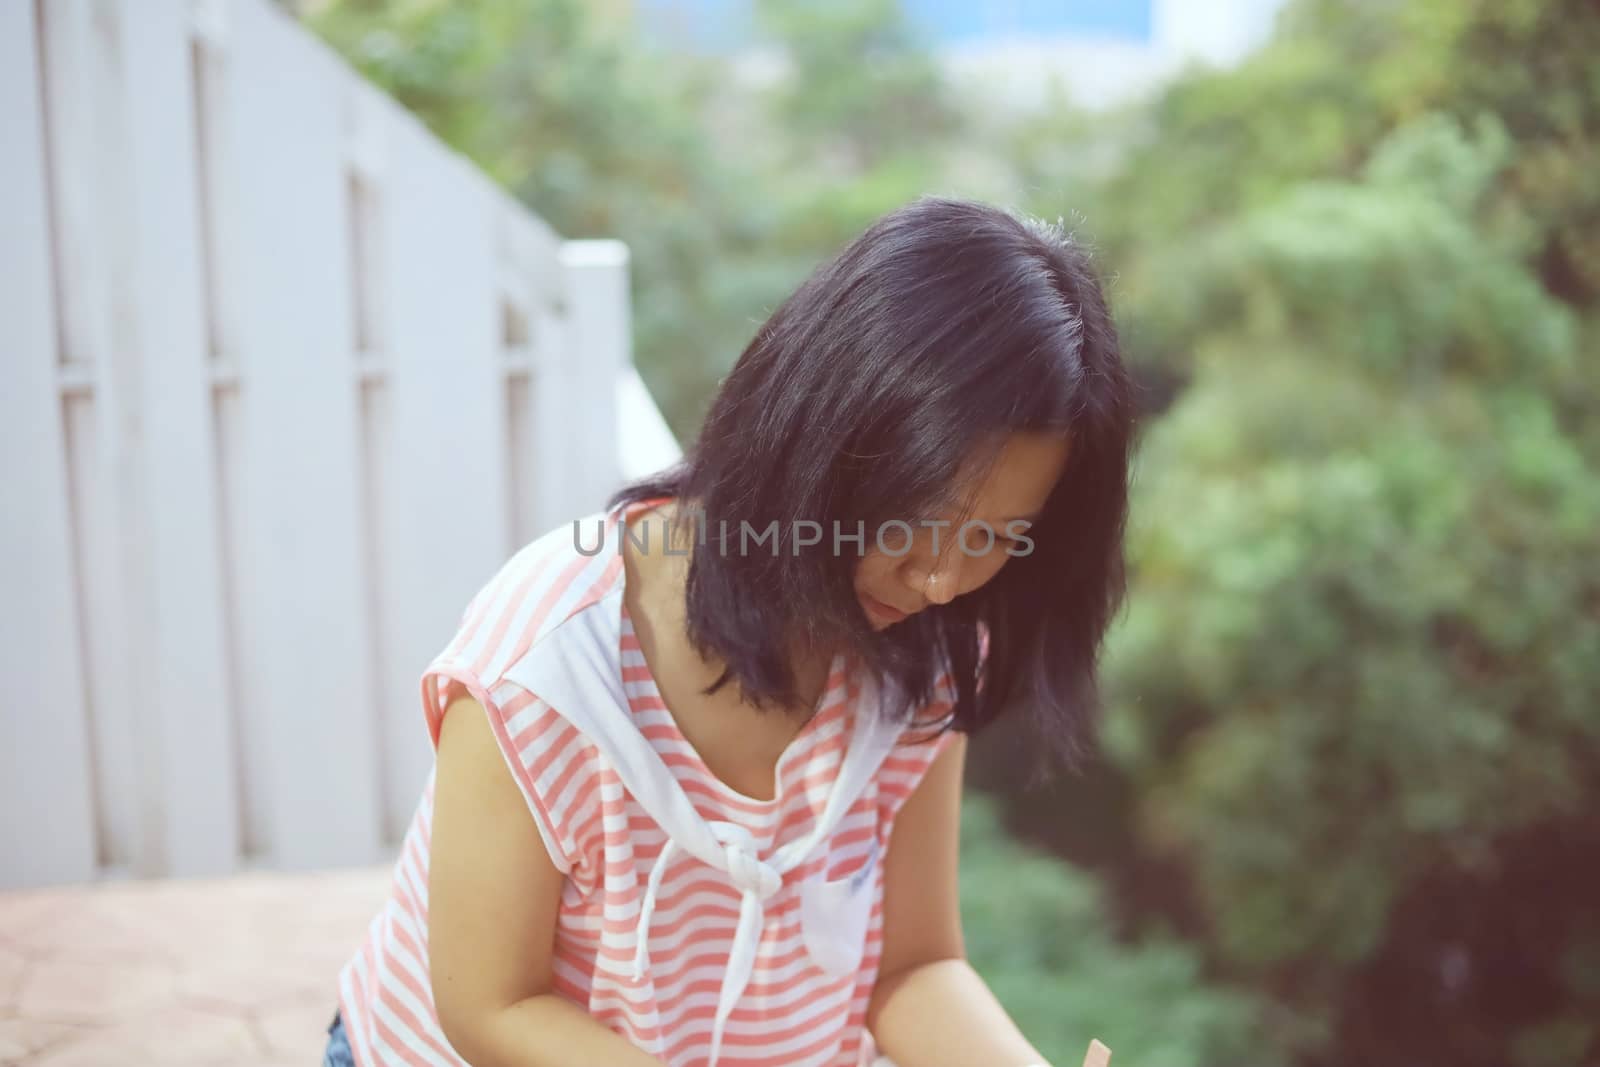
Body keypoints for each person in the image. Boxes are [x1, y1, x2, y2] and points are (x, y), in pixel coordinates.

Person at [326, 195, 1135, 1067]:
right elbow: (493, 1007)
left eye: (993, 538)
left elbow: (911, 965)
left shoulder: (928, 650)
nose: (940, 579)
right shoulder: (547, 661)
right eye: (919, 520)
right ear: (819, 438)